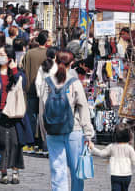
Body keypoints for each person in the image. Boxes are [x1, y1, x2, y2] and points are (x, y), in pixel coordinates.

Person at [43, 51, 94, 191]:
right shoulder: (74, 82)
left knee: (57, 169)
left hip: (52, 131)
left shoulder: (47, 82)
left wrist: (45, 131)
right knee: (76, 170)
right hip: (73, 130)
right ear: (71, 64)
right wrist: (88, 133)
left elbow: (43, 107)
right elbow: (83, 108)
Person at [0, 45, 33, 185]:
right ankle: (3, 171)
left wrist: (15, 69)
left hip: (15, 113)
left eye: (2, 54)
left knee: (16, 142)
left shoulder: (16, 71)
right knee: (3, 143)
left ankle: (15, 171)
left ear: (9, 56)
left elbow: (22, 84)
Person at [23, 30, 49, 153]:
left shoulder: (29, 53)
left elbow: (23, 68)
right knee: (43, 116)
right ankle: (41, 142)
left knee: (31, 116)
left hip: (30, 89)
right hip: (45, 90)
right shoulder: (49, 53)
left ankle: (31, 142)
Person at [89, 124, 135, 191]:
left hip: (115, 174)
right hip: (127, 175)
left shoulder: (112, 146)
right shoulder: (130, 148)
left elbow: (101, 153)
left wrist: (92, 147)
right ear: (128, 136)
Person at [34, 47, 58, 154]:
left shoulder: (43, 66)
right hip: (54, 95)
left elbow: (38, 82)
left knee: (42, 118)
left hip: (43, 94)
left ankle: (45, 143)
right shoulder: (57, 66)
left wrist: (39, 94)